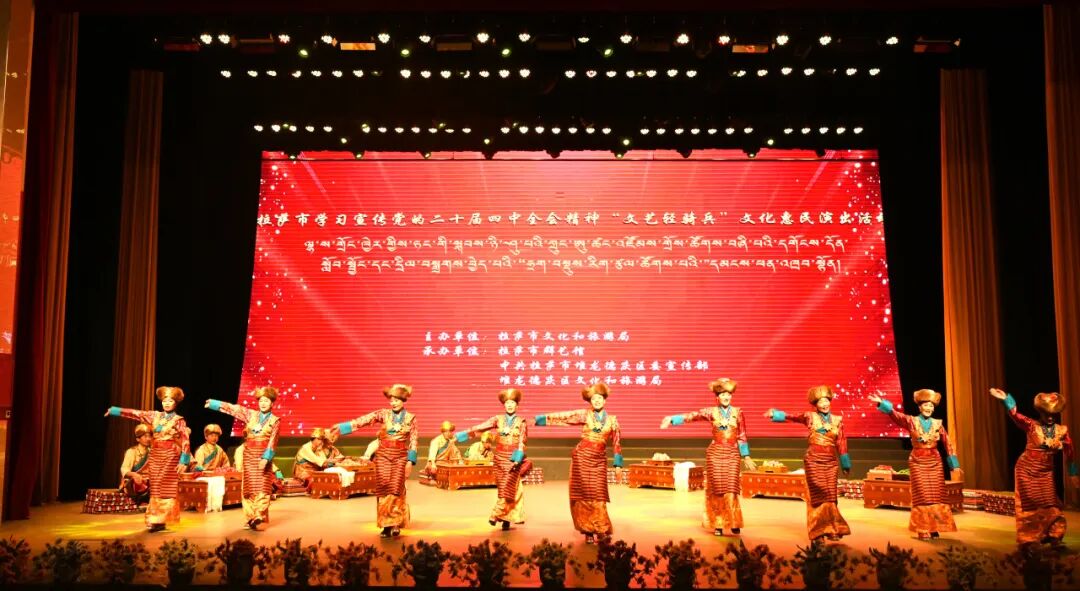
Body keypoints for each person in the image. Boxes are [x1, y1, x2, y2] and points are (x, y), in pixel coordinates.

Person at [660, 378, 756, 536]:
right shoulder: (711, 412)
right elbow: (693, 416)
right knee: (717, 490)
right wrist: (672, 419)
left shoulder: (738, 412)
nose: (726, 397)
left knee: (731, 489)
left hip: (732, 454)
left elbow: (742, 435)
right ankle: (718, 524)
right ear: (717, 397)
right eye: (723, 394)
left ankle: (733, 521)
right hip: (715, 454)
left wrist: (746, 456)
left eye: (728, 394)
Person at [534, 382, 624, 544]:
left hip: (599, 460)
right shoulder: (585, 415)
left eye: (600, 398)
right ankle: (587, 530)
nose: (597, 401)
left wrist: (618, 465)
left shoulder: (613, 421)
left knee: (598, 495)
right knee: (583, 495)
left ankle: (600, 527)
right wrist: (542, 419)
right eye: (594, 398)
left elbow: (617, 443)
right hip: (582, 457)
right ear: (590, 401)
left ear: (605, 400)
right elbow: (566, 417)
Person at [990, 388, 1080, 546]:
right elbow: (1016, 415)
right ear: (1041, 412)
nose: (1050, 417)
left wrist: (1073, 474)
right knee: (1030, 505)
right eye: (1047, 414)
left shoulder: (1061, 430)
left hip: (1046, 472)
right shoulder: (1032, 425)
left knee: (1050, 503)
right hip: (1027, 469)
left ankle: (1053, 535)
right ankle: (1029, 538)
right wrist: (1006, 400)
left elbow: (1070, 452)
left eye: (1053, 414)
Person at [869, 389, 960, 539]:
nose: (929, 408)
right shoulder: (911, 421)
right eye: (926, 405)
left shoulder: (938, 424)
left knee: (936, 495)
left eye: (931, 406)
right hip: (917, 461)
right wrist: (882, 403)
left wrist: (954, 464)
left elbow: (947, 443)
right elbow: (896, 415)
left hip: (935, 462)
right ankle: (922, 527)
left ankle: (934, 526)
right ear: (919, 407)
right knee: (923, 495)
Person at [765, 385, 852, 541]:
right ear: (815, 405)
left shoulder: (838, 420)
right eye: (821, 402)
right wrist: (775, 414)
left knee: (831, 497)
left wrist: (846, 463)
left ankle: (833, 529)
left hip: (831, 462)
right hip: (813, 460)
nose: (824, 404)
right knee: (817, 496)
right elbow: (793, 417)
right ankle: (818, 531)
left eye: (826, 401)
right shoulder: (809, 416)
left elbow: (842, 442)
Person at [331, 384, 419, 537]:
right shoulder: (383, 414)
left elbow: (413, 441)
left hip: (400, 456)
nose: (393, 403)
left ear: (403, 400)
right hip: (383, 454)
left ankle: (395, 522)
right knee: (383, 487)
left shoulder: (411, 418)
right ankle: (385, 525)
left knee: (395, 488)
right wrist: (342, 427)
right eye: (391, 400)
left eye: (396, 400)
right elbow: (363, 420)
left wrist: (410, 462)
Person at [104, 386, 191, 532]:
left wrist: (184, 460)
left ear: (175, 403)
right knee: (155, 488)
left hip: (170, 455)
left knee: (165, 487)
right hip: (155, 455)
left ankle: (159, 519)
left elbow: (185, 439)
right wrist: (115, 411)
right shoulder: (154, 416)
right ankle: (156, 520)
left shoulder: (178, 420)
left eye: (170, 401)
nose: (167, 403)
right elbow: (136, 414)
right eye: (164, 400)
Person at [205, 386, 281, 530]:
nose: (263, 403)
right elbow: (234, 409)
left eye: (266, 401)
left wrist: (266, 458)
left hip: (263, 454)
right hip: (249, 455)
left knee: (263, 486)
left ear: (272, 403)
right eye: (261, 400)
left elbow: (273, 441)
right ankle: (250, 517)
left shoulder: (275, 420)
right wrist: (215, 404)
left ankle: (259, 514)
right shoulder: (250, 415)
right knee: (249, 487)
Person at [456, 389, 530, 529]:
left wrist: (517, 459)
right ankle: (506, 518)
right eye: (507, 403)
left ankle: (495, 514)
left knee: (508, 486)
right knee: (503, 489)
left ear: (517, 405)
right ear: (504, 405)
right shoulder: (497, 419)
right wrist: (462, 436)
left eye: (512, 402)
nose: (510, 405)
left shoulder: (522, 422)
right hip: (499, 458)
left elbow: (522, 442)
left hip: (513, 458)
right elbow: (481, 428)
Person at [119, 424, 153, 505]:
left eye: (149, 436)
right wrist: (134, 475)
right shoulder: (131, 451)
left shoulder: (152, 452)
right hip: (135, 481)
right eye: (145, 436)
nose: (148, 439)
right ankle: (141, 500)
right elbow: (124, 469)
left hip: (148, 480)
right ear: (138, 439)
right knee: (137, 482)